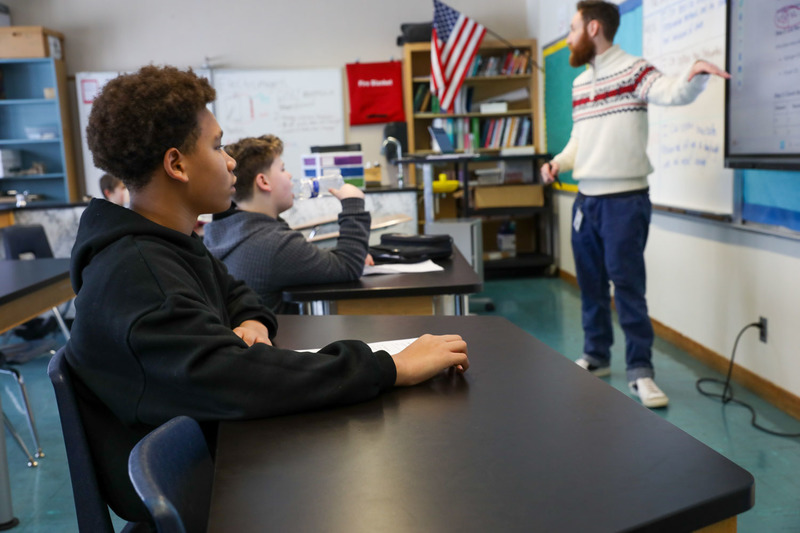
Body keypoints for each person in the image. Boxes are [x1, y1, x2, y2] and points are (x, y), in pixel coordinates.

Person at [67, 65, 469, 524]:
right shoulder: (139, 274)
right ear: (177, 164)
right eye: (217, 146)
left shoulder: (169, 244)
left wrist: (252, 323)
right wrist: (391, 365)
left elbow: (238, 293)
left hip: (219, 453)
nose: (231, 161)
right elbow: (241, 379)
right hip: (210, 495)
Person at [539, 0, 729, 408]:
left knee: (627, 288)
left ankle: (641, 370)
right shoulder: (578, 84)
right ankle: (596, 355)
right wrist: (557, 162)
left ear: (593, 29)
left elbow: (671, 91)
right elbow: (579, 141)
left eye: (572, 29)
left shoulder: (635, 70)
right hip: (585, 201)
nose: (569, 37)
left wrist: (693, 77)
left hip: (625, 201)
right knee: (590, 284)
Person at [204, 135, 373, 313]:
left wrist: (348, 254)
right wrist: (353, 203)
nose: (290, 175)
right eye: (283, 169)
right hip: (278, 339)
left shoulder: (226, 230)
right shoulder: (274, 244)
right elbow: (348, 267)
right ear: (263, 181)